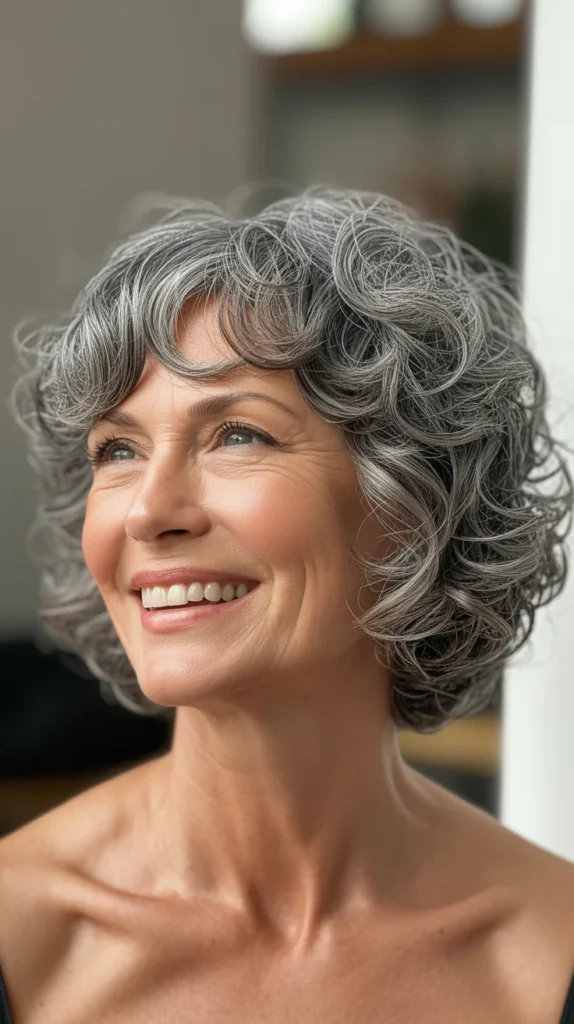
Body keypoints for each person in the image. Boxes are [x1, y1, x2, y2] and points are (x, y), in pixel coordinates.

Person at [1, 186, 574, 1023]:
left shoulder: (549, 956)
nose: (149, 511)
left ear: (414, 502)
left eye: (238, 434)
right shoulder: (22, 939)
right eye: (117, 450)